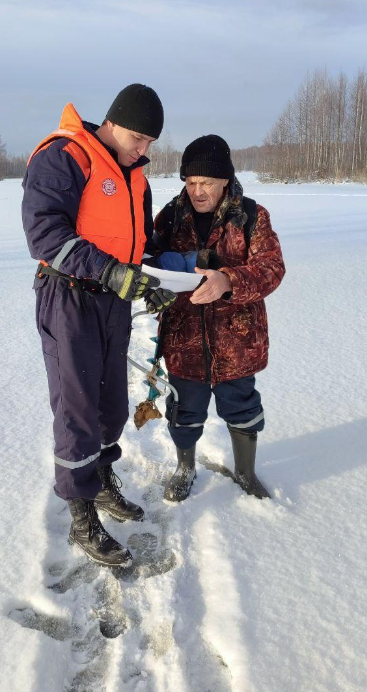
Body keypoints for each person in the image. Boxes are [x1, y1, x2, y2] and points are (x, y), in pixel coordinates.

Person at [21, 84, 176, 568]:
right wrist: (110, 271)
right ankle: (81, 512)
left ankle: (103, 481)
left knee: (110, 406)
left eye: (151, 142)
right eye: (137, 137)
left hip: (112, 302)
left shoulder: (136, 178)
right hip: (68, 300)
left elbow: (135, 244)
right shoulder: (66, 156)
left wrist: (154, 279)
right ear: (110, 123)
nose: (143, 150)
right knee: (77, 410)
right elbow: (44, 231)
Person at [152, 135, 285, 501]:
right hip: (184, 338)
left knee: (242, 407)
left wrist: (229, 280)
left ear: (225, 180)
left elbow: (272, 268)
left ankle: (245, 472)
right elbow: (146, 260)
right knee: (183, 410)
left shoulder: (252, 216)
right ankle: (184, 467)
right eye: (191, 182)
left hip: (237, 340)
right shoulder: (169, 216)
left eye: (206, 183)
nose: (197, 191)